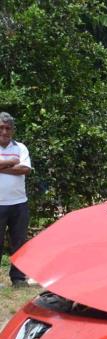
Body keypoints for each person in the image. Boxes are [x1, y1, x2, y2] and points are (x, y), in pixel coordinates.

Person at [0, 112, 32, 288]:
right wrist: (11, 162)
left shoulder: (20, 147)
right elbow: (17, 165)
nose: (4, 131)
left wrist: (2, 167)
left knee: (19, 243)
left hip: (19, 203)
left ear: (12, 130)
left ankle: (18, 278)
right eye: (1, 128)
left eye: (8, 128)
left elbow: (25, 169)